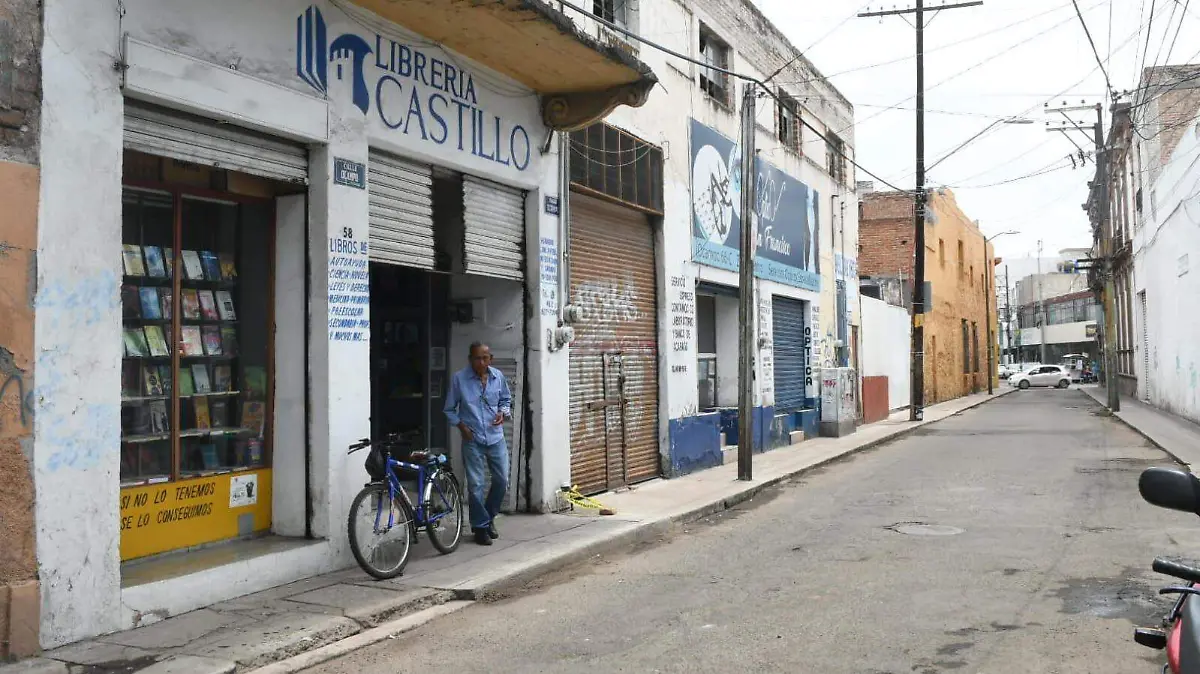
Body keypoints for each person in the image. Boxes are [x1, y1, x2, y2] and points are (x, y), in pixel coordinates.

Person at [443, 341, 512, 546]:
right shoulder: (459, 379)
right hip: (472, 439)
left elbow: (506, 400)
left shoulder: (497, 376)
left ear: (491, 359)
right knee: (476, 485)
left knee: (502, 480)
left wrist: (503, 413)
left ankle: (488, 517)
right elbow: (448, 409)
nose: (481, 362)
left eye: (484, 358)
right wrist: (461, 426)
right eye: (476, 358)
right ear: (470, 359)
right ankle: (480, 527)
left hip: (495, 436)